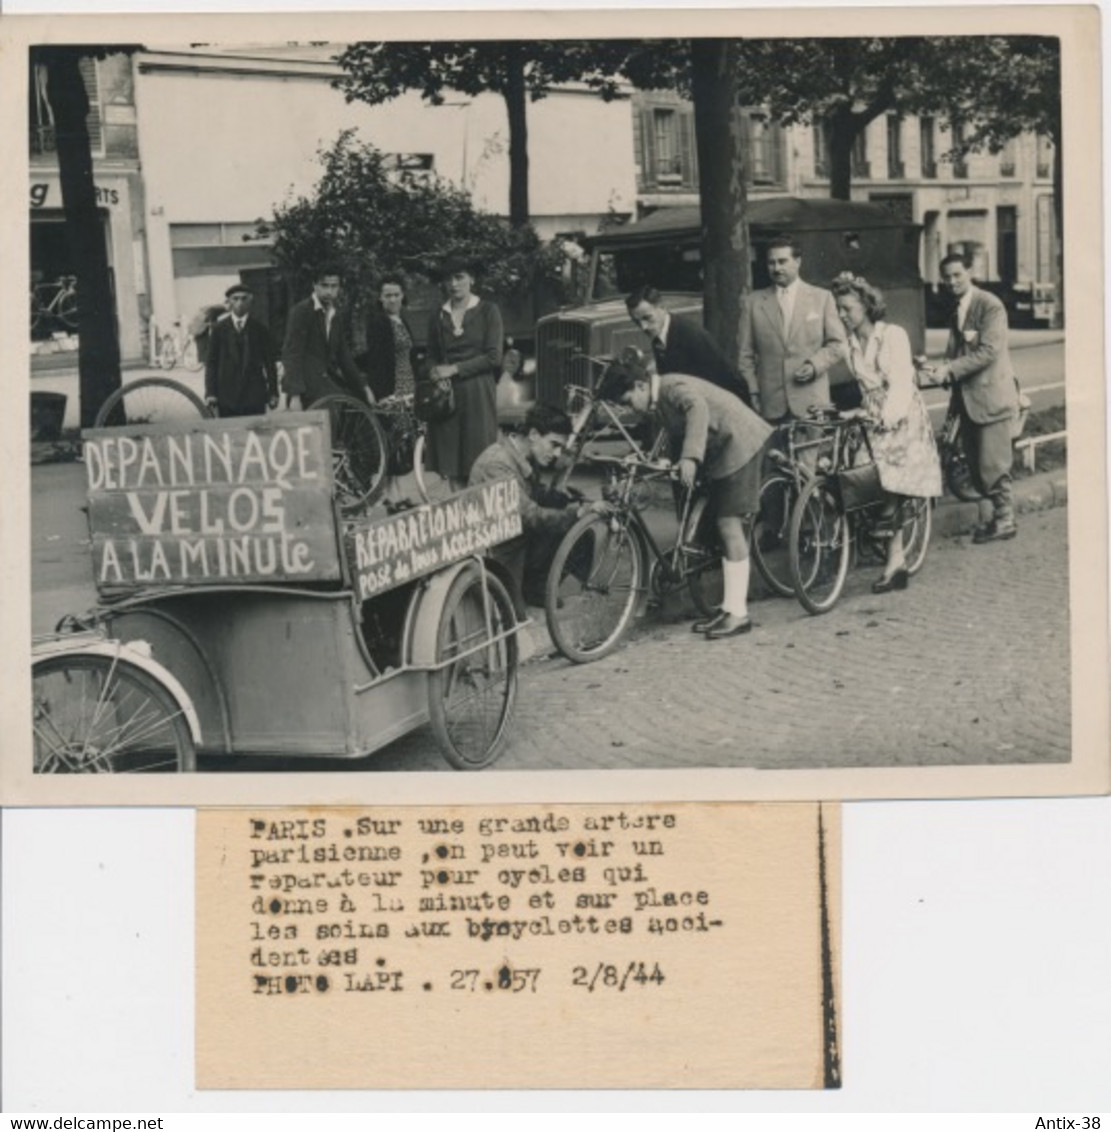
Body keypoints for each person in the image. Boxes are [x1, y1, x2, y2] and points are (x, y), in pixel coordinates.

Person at [597, 351, 773, 639]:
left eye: (628, 401)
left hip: (740, 442)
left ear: (642, 386)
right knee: (721, 524)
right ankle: (729, 608)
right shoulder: (658, 399)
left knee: (729, 525)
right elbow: (672, 430)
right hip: (723, 447)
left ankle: (739, 614)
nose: (630, 410)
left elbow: (697, 409)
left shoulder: (671, 387)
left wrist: (690, 457)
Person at [831, 272, 942, 593]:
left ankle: (895, 564)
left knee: (893, 485)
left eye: (847, 308)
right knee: (870, 481)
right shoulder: (850, 344)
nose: (842, 314)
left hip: (901, 415)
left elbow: (901, 384)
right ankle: (894, 560)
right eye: (838, 308)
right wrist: (859, 412)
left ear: (866, 306)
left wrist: (889, 416)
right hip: (872, 416)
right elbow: (865, 389)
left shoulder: (893, 335)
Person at [926, 253, 1020, 543]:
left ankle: (1006, 520)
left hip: (990, 398)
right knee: (978, 467)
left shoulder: (989, 305)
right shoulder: (958, 309)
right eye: (947, 277)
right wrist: (937, 368)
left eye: (957, 275)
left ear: (970, 271)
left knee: (993, 464)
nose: (952, 282)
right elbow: (956, 351)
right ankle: (998, 518)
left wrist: (950, 369)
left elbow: (988, 351)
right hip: (968, 401)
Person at [468, 404, 599, 610]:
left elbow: (535, 495)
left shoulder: (522, 455)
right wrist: (577, 513)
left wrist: (565, 499)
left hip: (514, 538)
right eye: (553, 444)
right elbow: (530, 516)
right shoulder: (497, 463)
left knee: (581, 534)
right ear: (534, 434)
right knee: (572, 523)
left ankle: (536, 589)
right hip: (497, 552)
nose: (556, 453)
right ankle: (525, 589)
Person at [738, 234, 847, 423]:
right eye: (771, 263)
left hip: (812, 403)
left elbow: (838, 344)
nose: (776, 268)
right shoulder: (753, 303)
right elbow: (744, 356)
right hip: (770, 405)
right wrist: (754, 392)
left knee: (813, 452)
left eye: (782, 261)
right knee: (775, 453)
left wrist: (814, 366)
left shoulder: (822, 298)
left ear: (797, 261)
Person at [425, 256, 504, 492]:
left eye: (459, 277)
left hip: (478, 394)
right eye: (449, 278)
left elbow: (493, 357)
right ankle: (461, 515)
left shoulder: (488, 311)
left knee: (479, 463)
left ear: (472, 279)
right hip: (447, 399)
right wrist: (433, 371)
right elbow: (430, 355)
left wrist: (455, 369)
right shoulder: (438, 316)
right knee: (453, 465)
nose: (454, 284)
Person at [625, 285, 752, 405]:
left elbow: (720, 380)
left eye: (647, 318)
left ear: (662, 307)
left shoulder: (690, 335)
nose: (643, 327)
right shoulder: (659, 337)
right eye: (637, 322)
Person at [281, 263, 373, 410]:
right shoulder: (302, 311)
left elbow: (344, 356)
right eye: (324, 286)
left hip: (327, 381)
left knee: (360, 407)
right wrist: (295, 395)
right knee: (331, 412)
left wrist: (363, 387)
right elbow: (292, 354)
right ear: (314, 285)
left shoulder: (335, 315)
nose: (329, 291)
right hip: (307, 385)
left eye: (334, 286)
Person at [203, 283, 279, 417]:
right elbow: (211, 363)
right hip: (226, 397)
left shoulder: (260, 329)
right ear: (229, 302)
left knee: (256, 435)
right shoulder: (218, 330)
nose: (239, 303)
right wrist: (211, 393)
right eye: (235, 299)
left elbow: (269, 364)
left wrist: (273, 392)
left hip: (254, 397)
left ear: (251, 301)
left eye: (244, 299)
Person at [363, 275, 421, 402]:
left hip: (409, 384)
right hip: (392, 388)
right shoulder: (378, 323)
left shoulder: (402, 321)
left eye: (396, 295)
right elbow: (375, 361)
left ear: (402, 295)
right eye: (388, 296)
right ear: (380, 298)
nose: (393, 300)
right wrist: (382, 394)